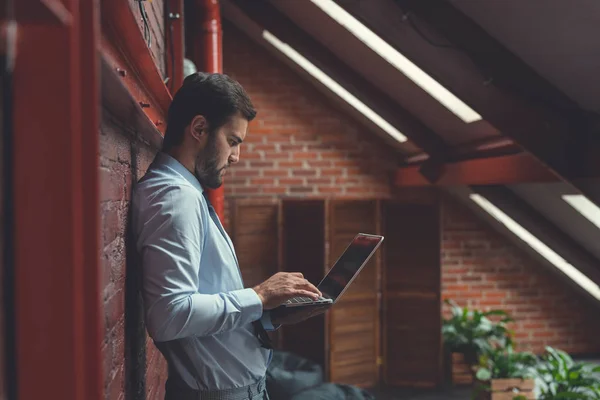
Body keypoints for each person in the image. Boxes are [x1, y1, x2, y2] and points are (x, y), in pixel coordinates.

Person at [131, 72, 329, 400]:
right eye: (233, 141)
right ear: (198, 129)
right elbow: (169, 315)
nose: (236, 157)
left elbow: (204, 299)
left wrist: (269, 310)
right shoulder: (175, 197)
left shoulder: (187, 192)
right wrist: (259, 295)